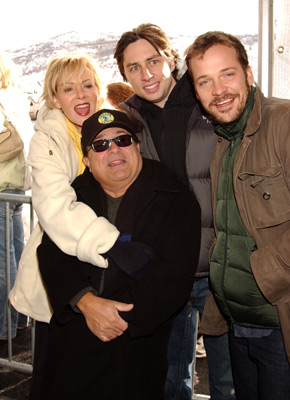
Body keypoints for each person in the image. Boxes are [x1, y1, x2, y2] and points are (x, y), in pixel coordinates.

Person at [35, 108, 201, 400]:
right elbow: (51, 254)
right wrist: (85, 302)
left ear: (137, 146)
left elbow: (173, 278)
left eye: (122, 140)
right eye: (100, 144)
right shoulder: (73, 197)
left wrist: (114, 321)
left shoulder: (174, 197)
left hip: (136, 349)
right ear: (87, 160)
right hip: (75, 343)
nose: (113, 149)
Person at [114, 23, 235, 399]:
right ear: (124, 75)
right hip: (167, 270)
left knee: (228, 379)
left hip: (220, 264)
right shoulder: (128, 122)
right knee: (170, 378)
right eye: (133, 67)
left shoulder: (209, 102)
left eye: (152, 60)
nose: (146, 74)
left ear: (170, 59)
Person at [8, 52, 123, 398]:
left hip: (102, 274)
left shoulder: (111, 129)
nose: (81, 95)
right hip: (58, 270)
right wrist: (114, 242)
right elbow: (55, 205)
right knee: (53, 372)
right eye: (69, 89)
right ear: (55, 98)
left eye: (88, 85)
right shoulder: (47, 139)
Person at [185, 31, 290, 400]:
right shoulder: (223, 140)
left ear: (248, 73)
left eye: (227, 74)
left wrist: (265, 276)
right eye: (205, 81)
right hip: (237, 323)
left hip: (279, 322)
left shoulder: (283, 123)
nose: (218, 90)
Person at [0, 51, 32, 339]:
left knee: (3, 261)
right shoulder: (14, 99)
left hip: (1, 190)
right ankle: (20, 318)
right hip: (15, 187)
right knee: (17, 255)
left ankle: (5, 327)